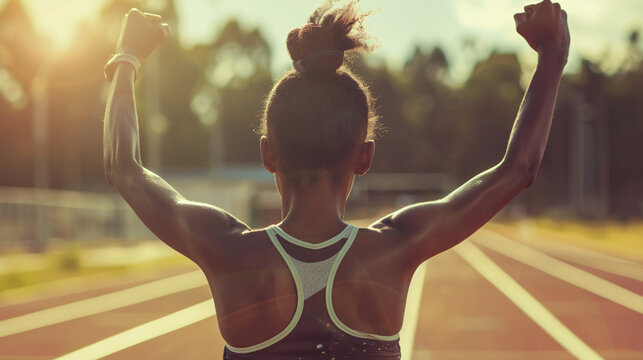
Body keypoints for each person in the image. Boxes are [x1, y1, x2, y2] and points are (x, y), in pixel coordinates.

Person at [102, 1, 569, 359]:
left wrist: (126, 57)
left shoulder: (229, 251)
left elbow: (125, 168)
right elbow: (517, 169)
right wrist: (553, 53)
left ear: (268, 153)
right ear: (364, 158)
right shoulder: (394, 247)